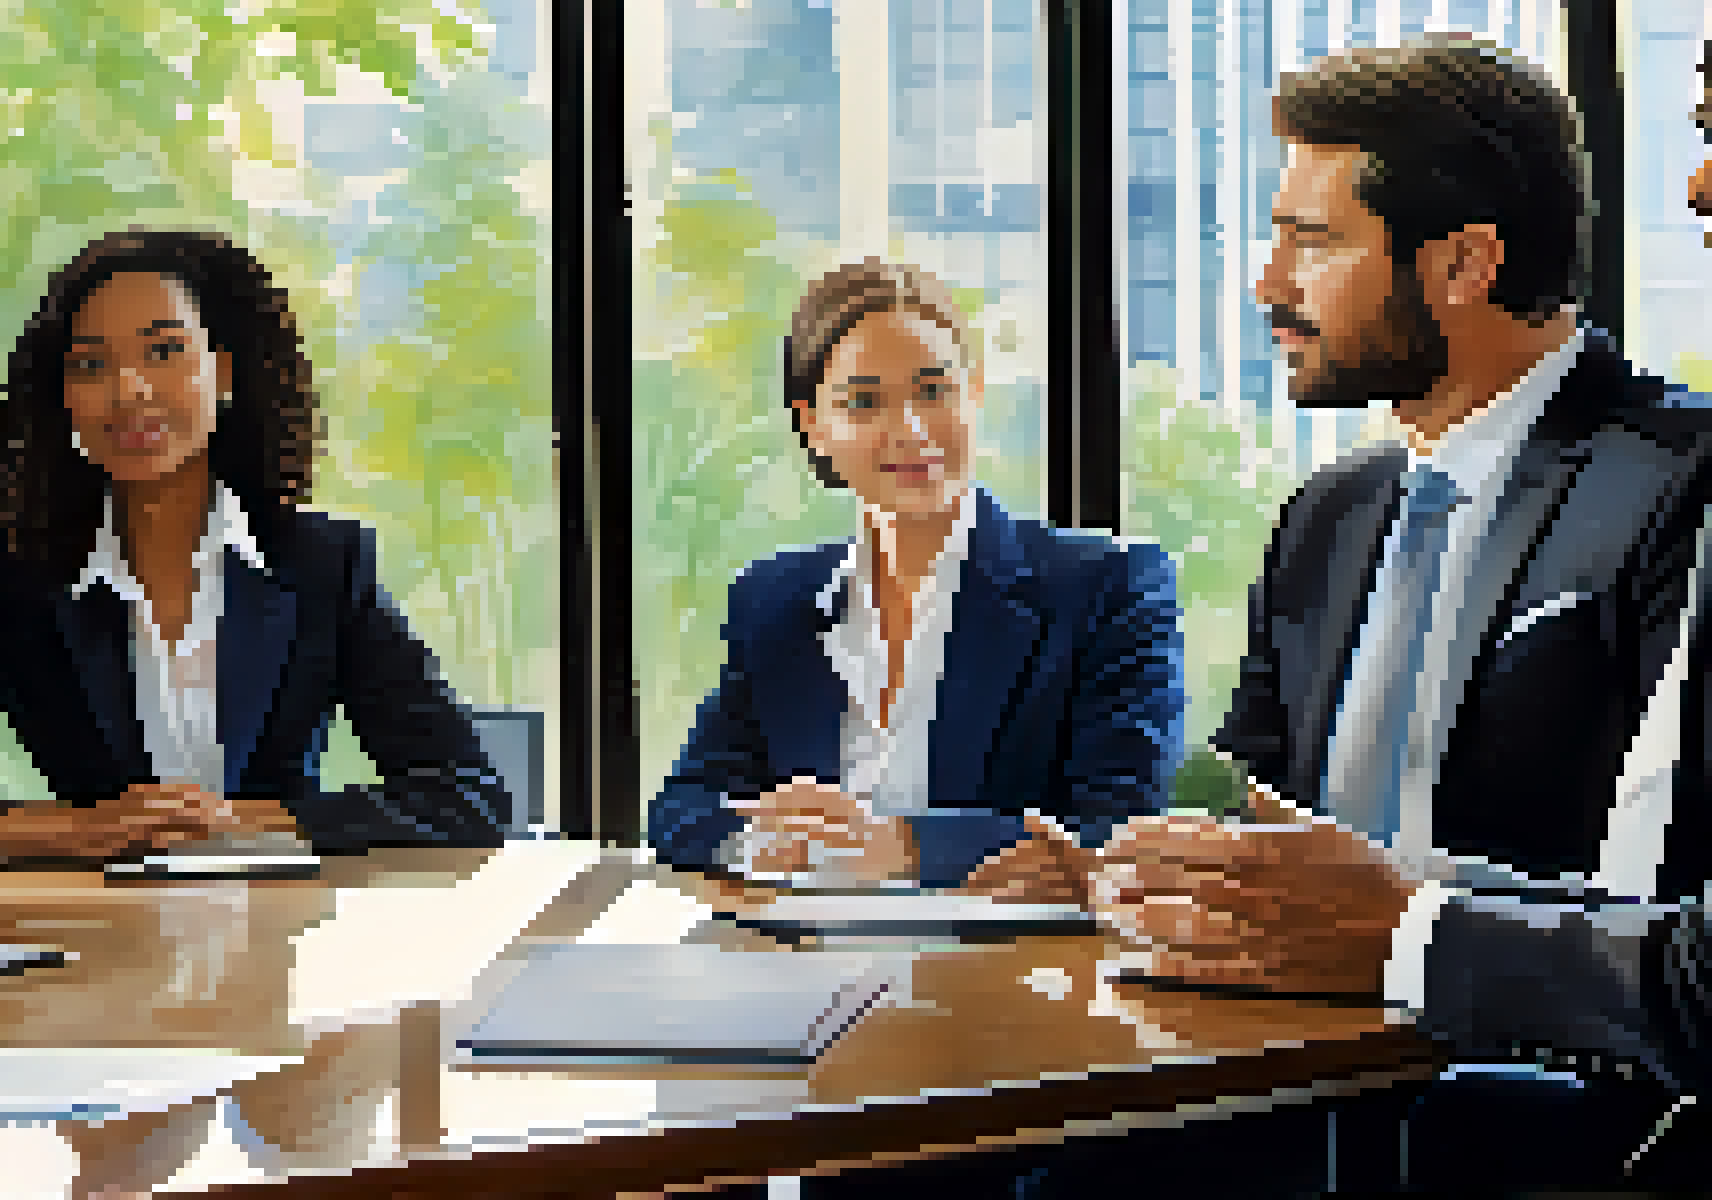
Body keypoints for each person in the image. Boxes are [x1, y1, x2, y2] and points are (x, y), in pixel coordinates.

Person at [994, 37, 1712, 1192]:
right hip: (1282, 1063)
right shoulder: (1328, 516)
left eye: (1312, 241)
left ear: (1464, 263)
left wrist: (1400, 921)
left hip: (1540, 1104)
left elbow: (1667, 922)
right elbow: (1249, 788)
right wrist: (1148, 868)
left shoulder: (1679, 480)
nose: (1269, 286)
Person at [0, 227, 508, 861]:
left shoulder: (323, 564)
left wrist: (239, 821)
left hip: (272, 951)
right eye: (90, 364)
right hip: (86, 945)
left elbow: (466, 797)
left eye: (165, 351)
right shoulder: (1, 563)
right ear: (63, 395)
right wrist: (74, 830)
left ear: (225, 371)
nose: (128, 390)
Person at [648, 259, 1182, 889]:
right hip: (802, 962)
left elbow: (1117, 831)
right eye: (865, 402)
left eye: (933, 391)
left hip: (1007, 967)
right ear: (813, 425)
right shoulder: (775, 602)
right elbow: (680, 811)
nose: (911, 430)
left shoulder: (1108, 590)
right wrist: (760, 842)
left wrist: (903, 845)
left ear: (974, 392)